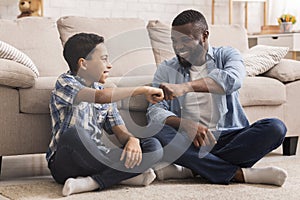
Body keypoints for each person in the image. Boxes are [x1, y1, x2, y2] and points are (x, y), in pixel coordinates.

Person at [147, 9, 288, 186]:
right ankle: (239, 174)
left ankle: (192, 169)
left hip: (229, 137)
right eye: (174, 41)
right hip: (189, 141)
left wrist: (185, 87)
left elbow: (232, 80)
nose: (178, 47)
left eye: (185, 40)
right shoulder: (166, 69)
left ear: (204, 36)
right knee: (156, 130)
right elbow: (154, 111)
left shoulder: (228, 55)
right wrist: (185, 124)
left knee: (276, 128)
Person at [46, 33, 164, 196]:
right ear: (83, 64)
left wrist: (132, 140)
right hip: (66, 162)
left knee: (154, 147)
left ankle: (92, 182)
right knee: (75, 134)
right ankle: (123, 176)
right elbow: (99, 98)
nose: (109, 65)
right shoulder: (65, 83)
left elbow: (121, 133)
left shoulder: (105, 92)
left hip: (98, 156)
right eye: (104, 59)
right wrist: (143, 89)